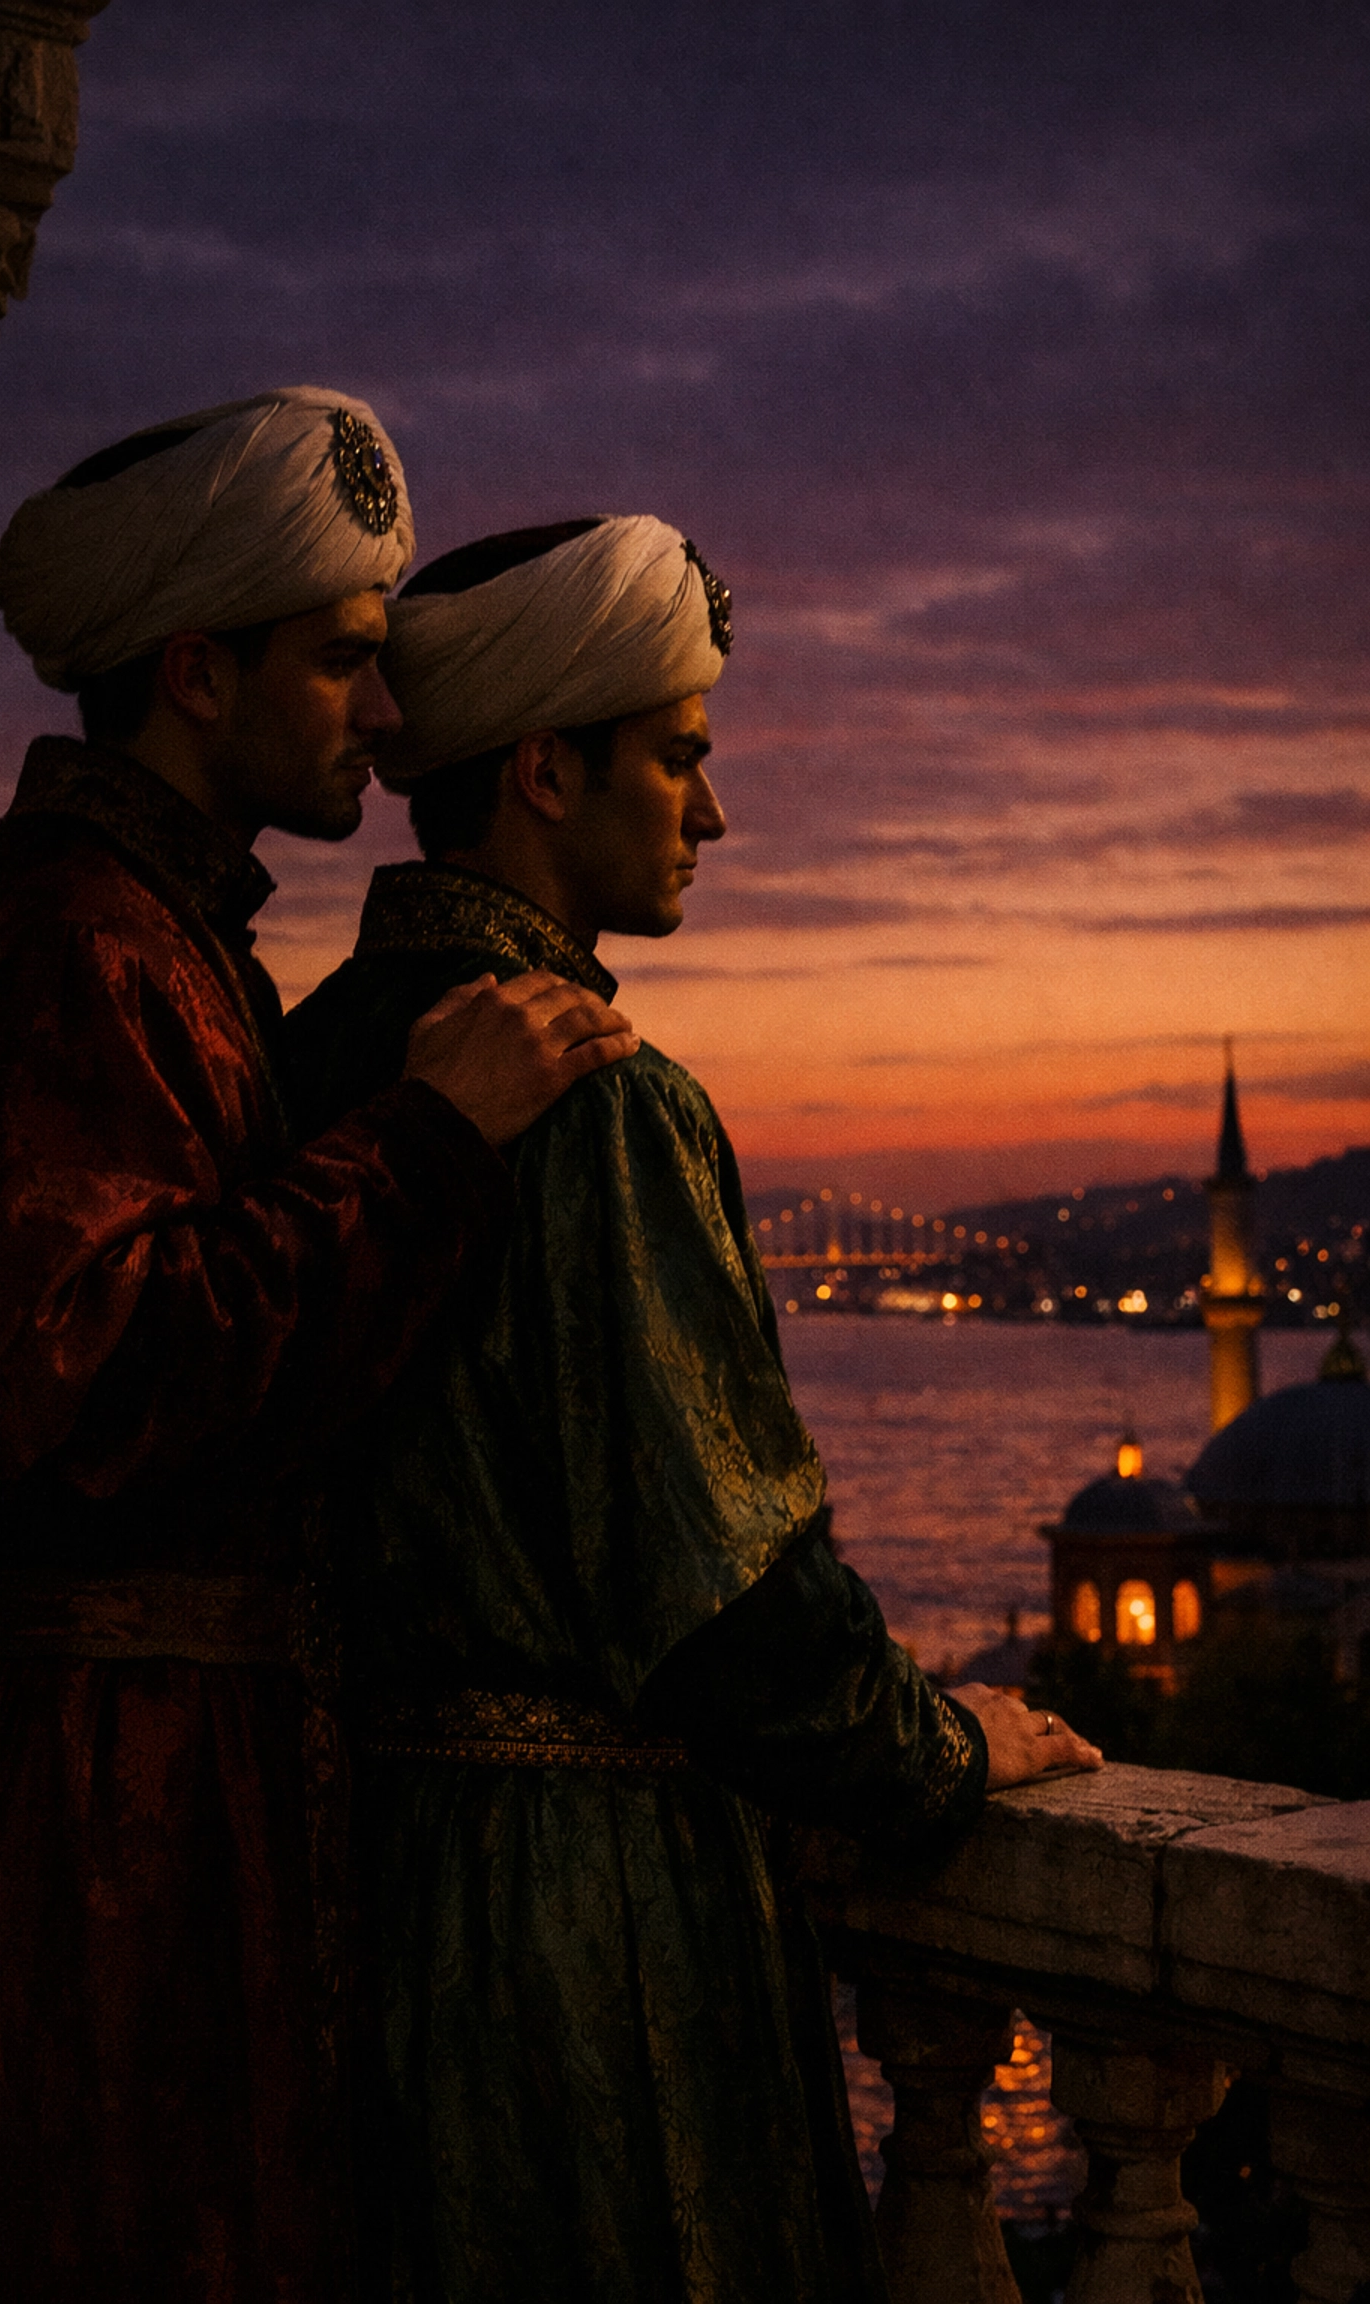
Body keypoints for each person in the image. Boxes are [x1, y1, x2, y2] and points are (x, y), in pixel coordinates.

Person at [0, 396, 636, 2304]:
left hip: (104, 1810)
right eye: (346, 662)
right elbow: (93, 1388)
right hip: (91, 1849)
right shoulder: (75, 952)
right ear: (199, 671)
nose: (383, 713)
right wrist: (430, 1138)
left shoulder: (116, 933)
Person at [285, 515, 1102, 2304]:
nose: (713, 818)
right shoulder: (601, 1094)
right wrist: (939, 1748)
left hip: (358, 1888)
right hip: (592, 1917)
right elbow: (732, 1589)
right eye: (682, 760)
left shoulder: (309, 1050)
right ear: (546, 769)